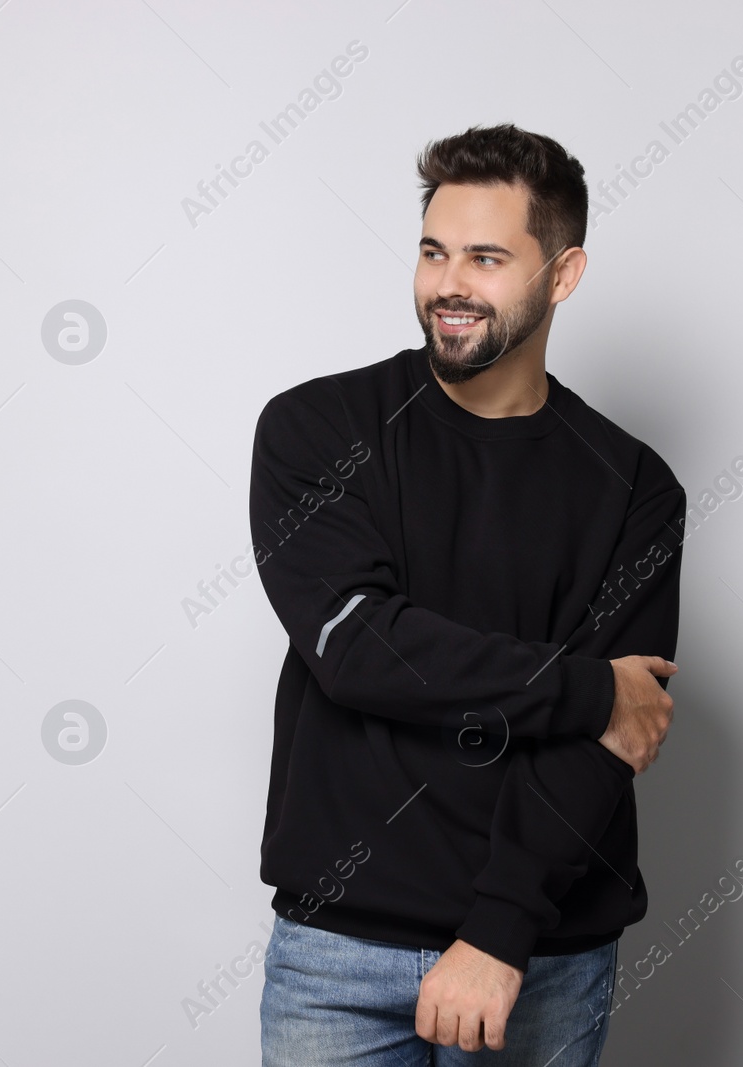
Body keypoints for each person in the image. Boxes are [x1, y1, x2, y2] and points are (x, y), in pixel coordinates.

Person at [249, 123, 687, 1065]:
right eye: (433, 251)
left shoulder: (635, 487)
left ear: (562, 275)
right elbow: (359, 649)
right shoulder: (316, 429)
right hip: (339, 953)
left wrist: (498, 930)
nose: (449, 283)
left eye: (487, 258)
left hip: (542, 954)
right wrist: (588, 685)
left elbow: (607, 750)